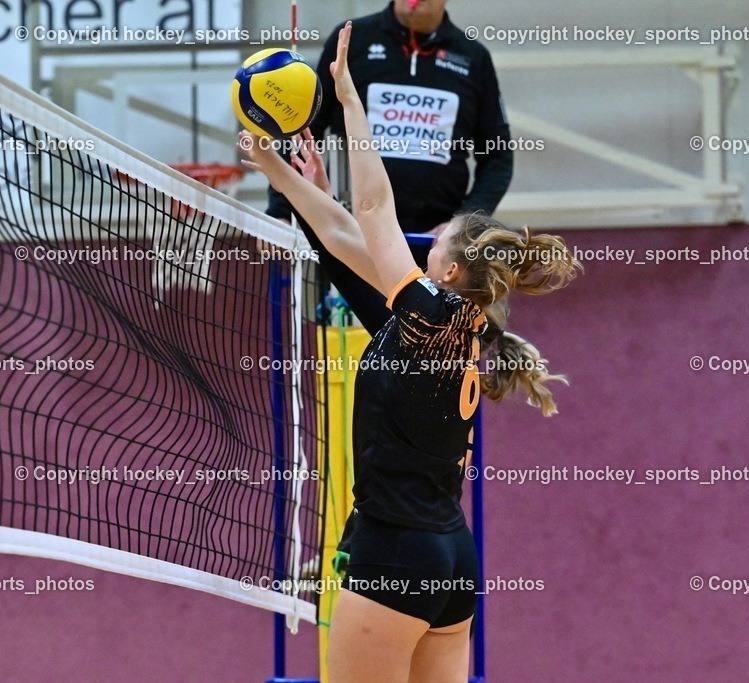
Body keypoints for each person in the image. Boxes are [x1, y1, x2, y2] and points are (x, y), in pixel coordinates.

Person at [240, 22, 579, 683]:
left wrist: (348, 97)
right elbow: (343, 235)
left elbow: (371, 207)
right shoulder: (457, 325)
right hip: (451, 559)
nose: (431, 242)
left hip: (393, 556)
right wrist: (279, 168)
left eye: (442, 241)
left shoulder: (427, 316)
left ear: (447, 272)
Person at [268, 0, 514, 333]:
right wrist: (281, 209)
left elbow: (498, 157)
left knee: (437, 354)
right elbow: (303, 127)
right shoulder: (352, 41)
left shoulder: (473, 58)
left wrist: (461, 228)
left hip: (436, 249)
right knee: (359, 350)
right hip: (356, 235)